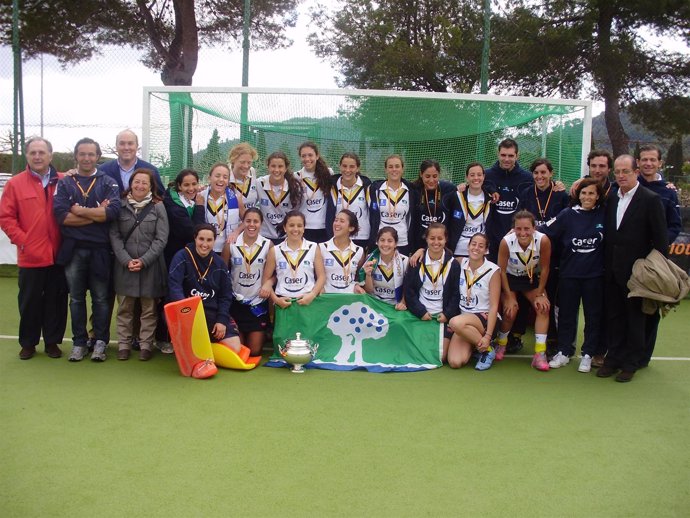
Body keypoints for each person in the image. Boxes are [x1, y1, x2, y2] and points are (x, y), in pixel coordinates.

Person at [598, 155, 668, 383]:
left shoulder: (650, 199)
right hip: (611, 271)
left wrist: (652, 271)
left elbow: (660, 241)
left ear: (635, 172)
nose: (620, 176)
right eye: (617, 172)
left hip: (637, 275)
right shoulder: (611, 199)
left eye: (625, 171)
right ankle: (614, 359)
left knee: (636, 319)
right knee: (615, 317)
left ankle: (631, 362)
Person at [53, 138, 121, 362]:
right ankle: (79, 342)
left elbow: (111, 214)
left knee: (101, 298)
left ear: (98, 156)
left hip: (100, 250)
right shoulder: (66, 183)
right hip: (74, 250)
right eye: (82, 154)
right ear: (76, 156)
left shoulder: (108, 182)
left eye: (91, 154)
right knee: (76, 299)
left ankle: (100, 341)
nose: (86, 158)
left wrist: (79, 210)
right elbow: (62, 216)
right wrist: (94, 214)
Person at [0, 137, 68, 360]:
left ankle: (52, 342)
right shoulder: (15, 184)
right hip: (30, 255)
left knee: (56, 301)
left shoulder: (64, 181)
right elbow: (6, 217)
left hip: (58, 254)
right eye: (33, 153)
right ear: (27, 156)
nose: (37, 156)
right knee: (29, 301)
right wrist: (23, 241)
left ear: (50, 155)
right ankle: (28, 343)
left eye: (42, 152)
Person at [540, 178, 605, 373]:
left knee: (593, 316)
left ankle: (588, 354)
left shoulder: (604, 214)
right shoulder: (568, 214)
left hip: (594, 275)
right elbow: (544, 230)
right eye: (584, 193)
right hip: (569, 274)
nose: (587, 197)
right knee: (567, 314)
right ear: (578, 195)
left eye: (591, 193)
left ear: (598, 196)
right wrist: (519, 232)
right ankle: (564, 351)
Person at [109, 169, 169, 361]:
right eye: (137, 182)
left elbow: (161, 238)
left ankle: (145, 345)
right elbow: (115, 236)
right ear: (131, 183)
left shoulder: (158, 207)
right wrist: (126, 260)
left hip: (150, 266)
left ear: (151, 186)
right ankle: (124, 345)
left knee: (149, 309)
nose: (140, 186)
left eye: (145, 183)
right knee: (125, 308)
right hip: (124, 266)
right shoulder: (120, 205)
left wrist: (144, 261)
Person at [636, 144, 682, 369]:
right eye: (644, 159)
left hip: (654, 259)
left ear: (659, 163)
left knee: (650, 307)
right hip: (629, 257)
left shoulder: (668, 191)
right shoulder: (626, 187)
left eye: (652, 160)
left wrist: (659, 246)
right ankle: (624, 352)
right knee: (627, 307)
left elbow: (675, 225)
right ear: (638, 162)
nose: (648, 163)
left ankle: (643, 357)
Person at [168, 223, 243, 354]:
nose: (204, 244)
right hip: (187, 313)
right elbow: (175, 288)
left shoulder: (219, 263)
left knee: (235, 348)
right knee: (189, 346)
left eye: (209, 240)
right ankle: (191, 344)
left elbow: (225, 295)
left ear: (214, 241)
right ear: (195, 238)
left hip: (210, 312)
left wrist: (221, 320)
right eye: (201, 239)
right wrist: (186, 314)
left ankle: (204, 346)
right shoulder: (182, 257)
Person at [496, 210, 552, 371]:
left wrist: (541, 294)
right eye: (518, 229)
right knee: (510, 311)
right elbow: (501, 270)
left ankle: (539, 354)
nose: (522, 233)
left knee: (543, 308)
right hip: (510, 278)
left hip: (531, 278)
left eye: (527, 228)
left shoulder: (543, 240)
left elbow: (546, 268)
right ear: (513, 228)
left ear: (534, 228)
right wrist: (509, 296)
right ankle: (501, 344)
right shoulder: (506, 242)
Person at [404, 223, 460, 361]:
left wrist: (447, 314)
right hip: (421, 315)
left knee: (441, 357)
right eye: (432, 238)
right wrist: (420, 312)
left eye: (440, 238)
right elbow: (409, 290)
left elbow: (456, 293)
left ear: (446, 239)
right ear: (426, 239)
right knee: (414, 353)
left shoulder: (453, 264)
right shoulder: (416, 262)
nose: (436, 242)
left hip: (442, 317)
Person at [447, 233, 501, 370]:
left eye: (481, 246)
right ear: (468, 246)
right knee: (455, 362)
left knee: (454, 322)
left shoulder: (492, 270)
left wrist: (488, 335)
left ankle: (487, 348)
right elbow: (439, 251)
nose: (476, 248)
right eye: (473, 244)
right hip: (464, 322)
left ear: (486, 250)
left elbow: (494, 306)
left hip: (485, 318)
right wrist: (420, 251)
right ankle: (478, 346)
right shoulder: (459, 262)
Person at [228, 208, 274, 356]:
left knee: (254, 351)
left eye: (256, 221)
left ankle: (265, 331)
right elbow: (222, 274)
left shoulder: (268, 245)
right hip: (236, 302)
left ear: (261, 223)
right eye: (248, 221)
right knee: (239, 351)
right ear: (243, 223)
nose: (251, 225)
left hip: (257, 303)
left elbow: (276, 273)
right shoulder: (231, 244)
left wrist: (269, 283)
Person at [483, 138, 533, 263]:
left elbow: (543, 185)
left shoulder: (527, 177)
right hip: (492, 239)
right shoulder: (486, 175)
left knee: (513, 278)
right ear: (498, 154)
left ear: (517, 156)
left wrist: (556, 184)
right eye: (503, 155)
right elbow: (471, 185)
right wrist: (462, 186)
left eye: (510, 155)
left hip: (517, 237)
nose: (506, 159)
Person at [264, 210, 326, 308]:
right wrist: (276, 299)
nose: (295, 229)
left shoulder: (313, 247)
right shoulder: (275, 250)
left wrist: (313, 294)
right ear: (285, 228)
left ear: (304, 228)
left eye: (299, 225)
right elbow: (265, 279)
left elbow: (322, 276)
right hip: (283, 302)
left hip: (307, 300)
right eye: (291, 225)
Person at [195, 162, 244, 263]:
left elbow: (247, 220)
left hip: (227, 249)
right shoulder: (200, 197)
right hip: (204, 248)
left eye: (225, 177)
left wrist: (236, 232)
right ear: (209, 178)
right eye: (217, 176)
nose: (221, 179)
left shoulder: (235, 198)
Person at [369, 155, 418, 256]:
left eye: (397, 166)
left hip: (402, 241)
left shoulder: (411, 191)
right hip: (381, 241)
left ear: (402, 169)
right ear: (386, 169)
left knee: (401, 271)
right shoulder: (375, 189)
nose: (394, 169)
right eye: (390, 167)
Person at [325, 152, 372, 249]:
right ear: (340, 167)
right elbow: (330, 216)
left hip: (362, 238)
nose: (347, 170)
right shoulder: (332, 187)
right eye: (344, 166)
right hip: (340, 237)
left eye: (352, 167)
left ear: (357, 168)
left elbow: (373, 215)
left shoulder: (367, 187)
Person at [446, 162, 493, 257]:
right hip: (459, 250)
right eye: (472, 175)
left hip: (481, 251)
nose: (476, 178)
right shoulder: (456, 196)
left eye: (479, 175)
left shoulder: (491, 199)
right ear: (467, 177)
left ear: (484, 177)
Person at [99, 129, 165, 195]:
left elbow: (161, 196)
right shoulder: (103, 171)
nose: (126, 148)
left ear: (137, 146)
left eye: (130, 143)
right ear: (116, 146)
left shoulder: (151, 170)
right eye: (122, 143)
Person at [256, 151, 303, 243]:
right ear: (268, 167)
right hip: (264, 236)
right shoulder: (259, 183)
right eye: (273, 166)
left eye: (280, 166)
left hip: (286, 237)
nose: (276, 170)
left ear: (286, 168)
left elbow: (296, 211)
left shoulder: (294, 186)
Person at [410, 159, 456, 251]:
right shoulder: (414, 189)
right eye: (427, 176)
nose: (431, 180)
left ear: (439, 174)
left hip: (440, 244)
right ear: (421, 174)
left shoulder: (449, 189)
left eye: (435, 176)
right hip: (419, 246)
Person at [163, 169, 203, 267]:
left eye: (194, 184)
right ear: (179, 186)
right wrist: (200, 207)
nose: (191, 188)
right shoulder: (174, 206)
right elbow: (192, 232)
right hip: (175, 256)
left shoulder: (190, 198)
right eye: (186, 185)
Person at [360, 227, 409, 309]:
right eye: (382, 240)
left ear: (396, 243)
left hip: (395, 305)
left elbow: (407, 287)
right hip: (374, 303)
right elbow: (369, 291)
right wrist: (368, 275)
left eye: (390, 241)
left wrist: (402, 303)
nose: (385, 244)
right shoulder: (370, 259)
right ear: (377, 242)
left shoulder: (405, 261)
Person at [320, 209, 366, 293]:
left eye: (342, 221)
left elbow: (357, 277)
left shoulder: (359, 251)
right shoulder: (321, 247)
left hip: (348, 301)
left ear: (351, 228)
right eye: (336, 220)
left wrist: (356, 286)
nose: (337, 224)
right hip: (326, 298)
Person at [295, 141, 333, 243]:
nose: (307, 159)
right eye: (303, 156)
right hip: (304, 228)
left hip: (325, 229)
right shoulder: (296, 177)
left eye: (310, 155)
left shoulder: (328, 173)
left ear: (317, 156)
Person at [228, 142, 260, 208]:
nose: (246, 166)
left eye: (249, 162)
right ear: (233, 161)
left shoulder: (252, 171)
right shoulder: (225, 176)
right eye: (242, 162)